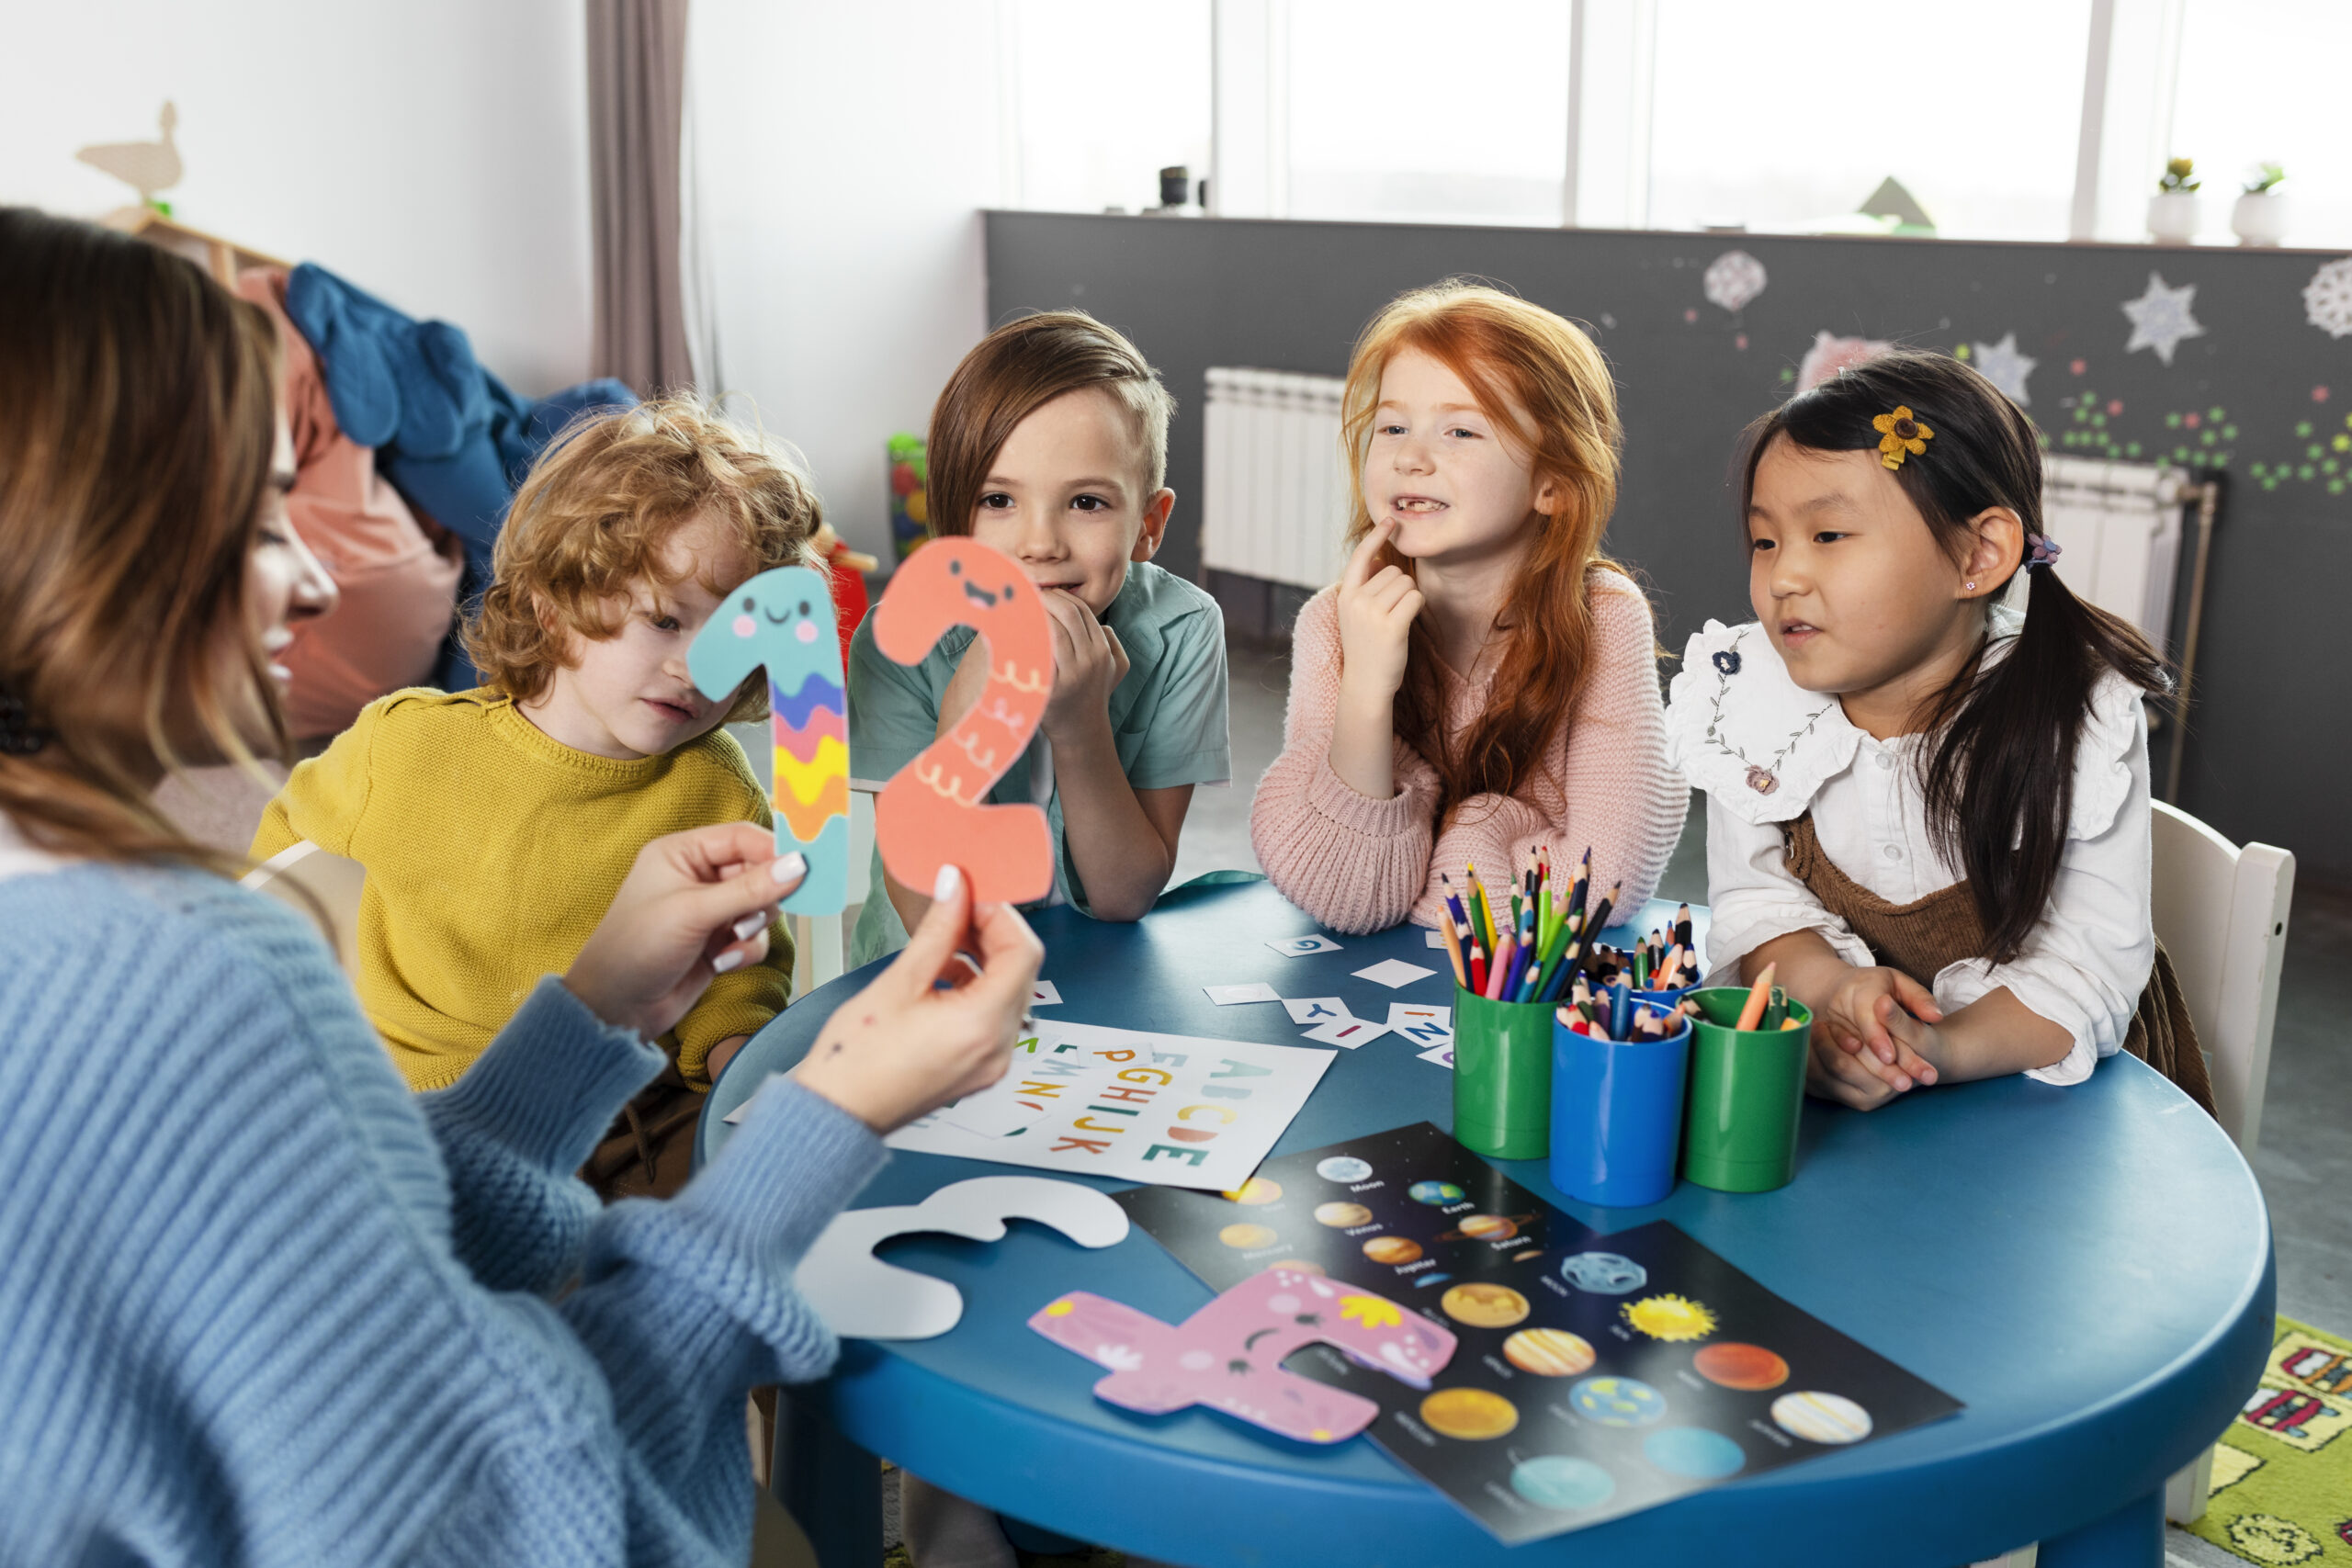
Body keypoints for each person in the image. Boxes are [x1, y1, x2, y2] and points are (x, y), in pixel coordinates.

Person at [0, 206, 1043, 1566]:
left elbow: (344, 1266)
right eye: (263, 512)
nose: (315, 574)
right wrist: (831, 1107)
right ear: (85, 541)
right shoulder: (197, 974)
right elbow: (528, 1509)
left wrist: (591, 1005)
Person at [252, 398, 818, 1194]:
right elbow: (279, 873)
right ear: (553, 606)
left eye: (733, 640)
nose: (698, 669)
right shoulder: (403, 745)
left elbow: (737, 972)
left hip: (634, 1115)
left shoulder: (717, 783)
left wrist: (744, 1068)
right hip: (426, 1115)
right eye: (664, 620)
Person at [1666, 349, 2212, 1112]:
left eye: (1828, 535)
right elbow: (1758, 904)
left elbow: (2087, 967)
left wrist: (1937, 1049)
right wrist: (1834, 1001)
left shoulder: (2076, 716)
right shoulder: (1749, 700)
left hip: (2047, 1092)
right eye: (1766, 541)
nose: (1784, 574)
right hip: (1860, 1085)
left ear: (1979, 555)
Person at [1250, 280, 1686, 933]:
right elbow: (1338, 892)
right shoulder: (1334, 621)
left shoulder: (1604, 618)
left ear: (1552, 483)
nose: (1411, 456)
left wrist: (1465, 834)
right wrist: (1367, 687)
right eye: (1392, 426)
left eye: (1460, 430)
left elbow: (1606, 887)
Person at [848, 310, 1229, 964]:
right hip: (928, 984)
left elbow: (1123, 894)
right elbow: (926, 912)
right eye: (999, 500)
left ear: (1149, 524)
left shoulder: (1183, 630)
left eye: (1086, 502)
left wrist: (1082, 730)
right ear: (950, 523)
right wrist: (969, 717)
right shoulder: (894, 645)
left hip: (1097, 979)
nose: (1040, 545)